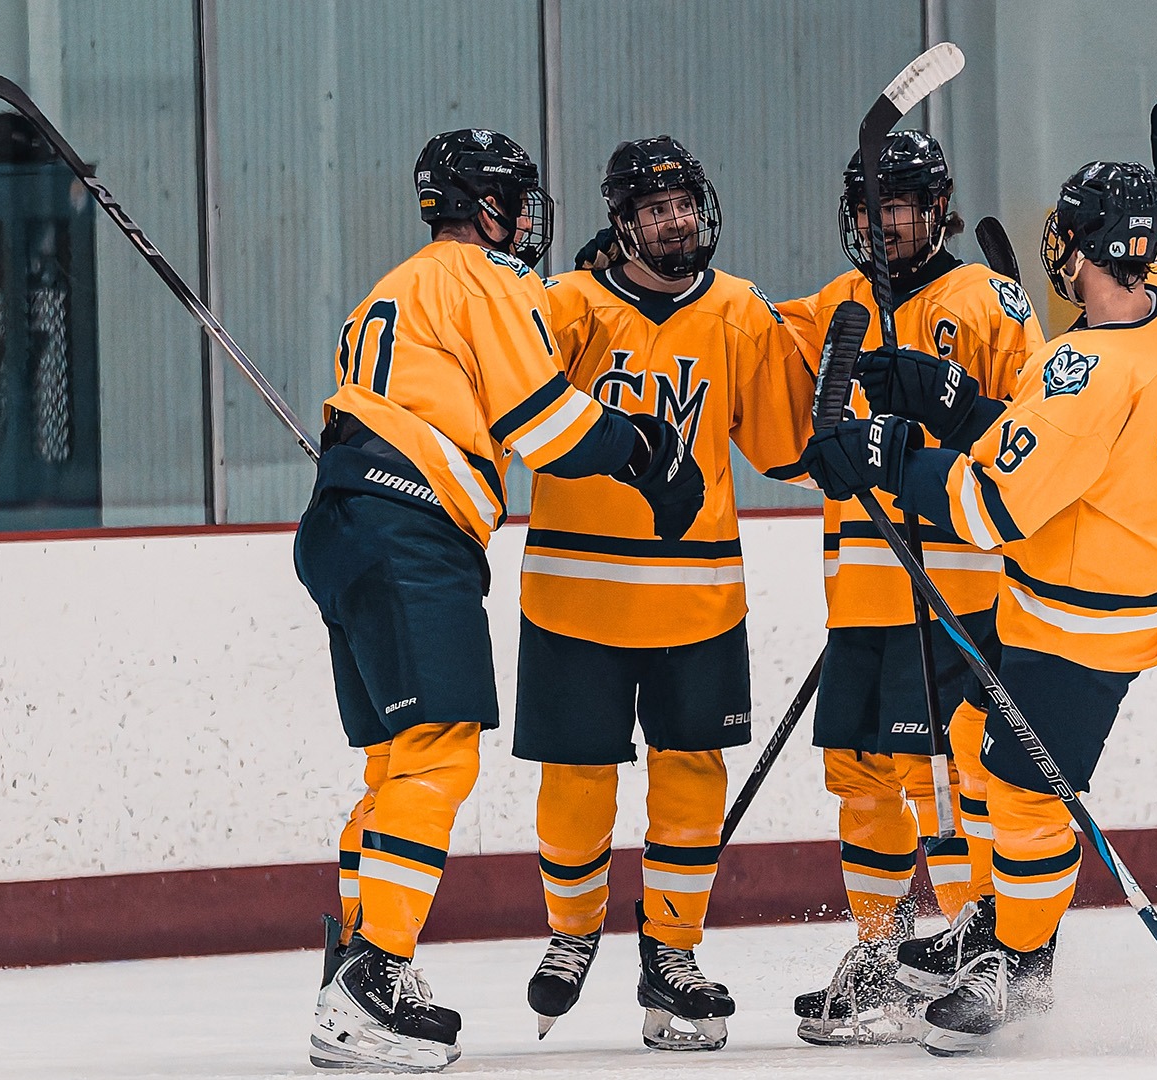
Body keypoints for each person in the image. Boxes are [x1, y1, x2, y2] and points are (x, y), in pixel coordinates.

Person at [798, 73, 1157, 1055]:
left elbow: (989, 505)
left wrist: (890, 451)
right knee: (988, 759)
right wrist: (945, 394)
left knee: (1027, 802)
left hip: (1081, 620)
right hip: (1122, 590)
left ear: (1076, 250)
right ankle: (993, 930)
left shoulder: (1085, 374)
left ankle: (1013, 968)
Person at [297, 128, 701, 1072]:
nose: (527, 218)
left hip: (343, 524)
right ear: (485, 207)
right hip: (410, 528)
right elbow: (547, 422)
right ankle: (371, 983)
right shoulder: (482, 278)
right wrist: (644, 452)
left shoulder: (398, 287)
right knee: (437, 754)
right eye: (516, 201)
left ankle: (356, 968)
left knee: (397, 762)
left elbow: (494, 364)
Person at [513, 135, 811, 1052]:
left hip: (699, 597)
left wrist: (868, 429)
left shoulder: (738, 310)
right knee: (577, 777)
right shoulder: (565, 308)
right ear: (622, 223)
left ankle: (672, 957)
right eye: (655, 209)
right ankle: (571, 933)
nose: (676, 220)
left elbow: (783, 445)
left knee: (692, 777)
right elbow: (513, 410)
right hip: (574, 595)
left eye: (684, 203)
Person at [776, 129, 1044, 1046]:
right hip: (861, 585)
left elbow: (1039, 438)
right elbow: (756, 364)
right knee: (860, 774)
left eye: (898, 204)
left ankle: (980, 962)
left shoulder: (988, 301)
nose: (881, 221)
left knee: (960, 784)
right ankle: (884, 957)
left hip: (957, 588)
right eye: (868, 207)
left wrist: (952, 407)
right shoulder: (834, 305)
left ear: (937, 208)